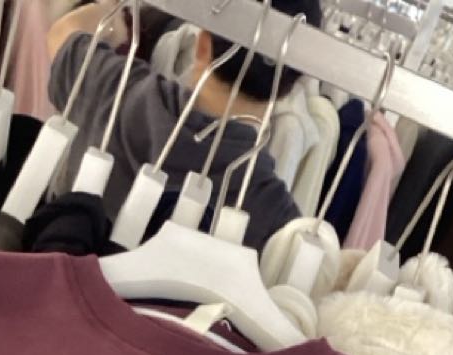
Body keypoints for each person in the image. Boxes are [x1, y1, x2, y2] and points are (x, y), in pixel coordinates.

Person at [46, 0, 323, 253]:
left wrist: (112, 14)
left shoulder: (116, 91)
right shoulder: (276, 218)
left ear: (201, 45)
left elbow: (63, 33)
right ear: (289, 88)